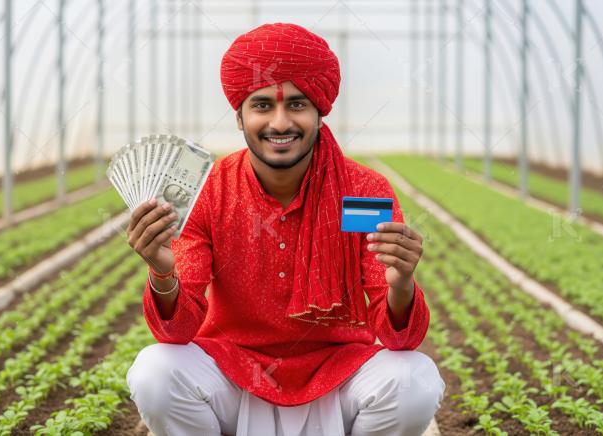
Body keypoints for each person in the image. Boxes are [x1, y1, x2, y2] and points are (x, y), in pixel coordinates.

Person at [125, 22, 445, 436]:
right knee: (155, 371)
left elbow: (400, 340)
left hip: (337, 379)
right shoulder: (207, 187)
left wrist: (401, 284)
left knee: (414, 378)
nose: (279, 123)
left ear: (318, 112)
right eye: (261, 106)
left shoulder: (362, 190)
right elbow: (178, 330)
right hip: (234, 377)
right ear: (239, 117)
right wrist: (163, 274)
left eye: (296, 105)